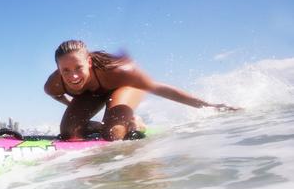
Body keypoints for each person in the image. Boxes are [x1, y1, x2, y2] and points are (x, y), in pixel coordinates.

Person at [45, 40, 239, 141]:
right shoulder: (54, 84)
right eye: (66, 71)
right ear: (58, 68)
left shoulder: (119, 71)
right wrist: (75, 111)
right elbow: (57, 95)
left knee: (113, 134)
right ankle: (102, 125)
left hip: (125, 87)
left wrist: (209, 106)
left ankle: (133, 122)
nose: (73, 76)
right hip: (92, 95)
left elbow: (158, 88)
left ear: (88, 61)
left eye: (78, 68)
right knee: (69, 132)